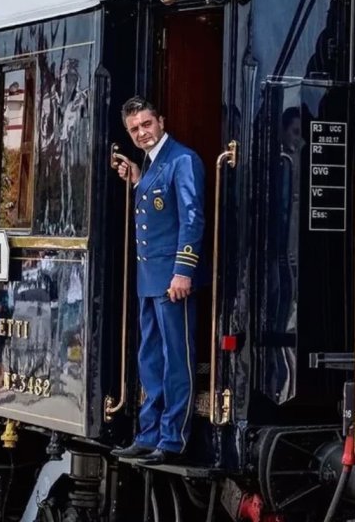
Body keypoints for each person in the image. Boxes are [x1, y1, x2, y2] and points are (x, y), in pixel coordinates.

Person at [110, 97, 206, 465]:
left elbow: (192, 218)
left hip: (171, 280)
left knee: (175, 359)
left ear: (161, 121)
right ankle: (148, 433)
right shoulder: (152, 164)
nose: (142, 133)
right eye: (134, 129)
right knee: (149, 358)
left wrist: (184, 270)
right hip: (149, 280)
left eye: (146, 124)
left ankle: (172, 439)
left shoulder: (183, 160)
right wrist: (138, 178)